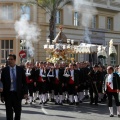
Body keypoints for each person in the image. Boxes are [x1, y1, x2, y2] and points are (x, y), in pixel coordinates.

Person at [1, 54, 28, 120]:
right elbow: (2, 83)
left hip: (17, 94)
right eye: (8, 59)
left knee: (18, 113)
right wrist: (2, 95)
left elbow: (24, 82)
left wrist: (25, 93)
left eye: (11, 59)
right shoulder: (4, 70)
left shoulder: (20, 70)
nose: (9, 61)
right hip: (8, 94)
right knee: (9, 114)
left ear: (15, 60)